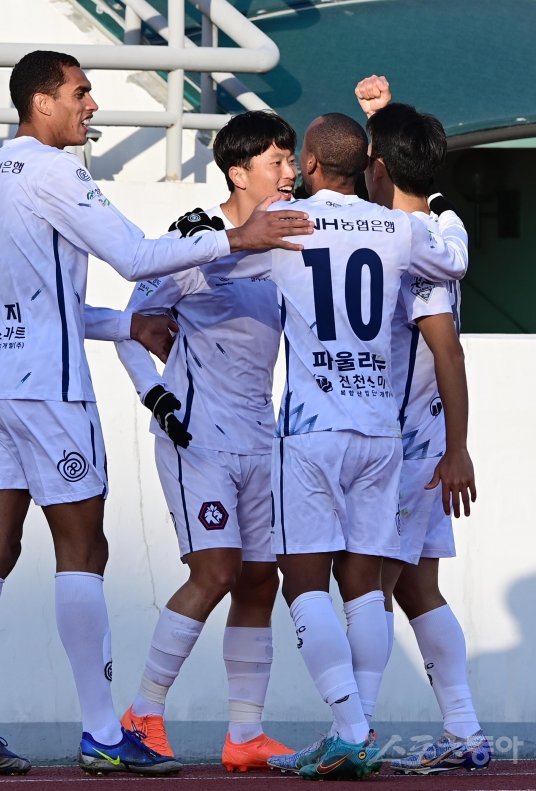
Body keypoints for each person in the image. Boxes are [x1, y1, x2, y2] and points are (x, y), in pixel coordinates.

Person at [0, 49, 313, 777]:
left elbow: (46, 303)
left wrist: (128, 326)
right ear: (41, 102)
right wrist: (236, 237)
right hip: (47, 389)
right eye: (80, 93)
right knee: (83, 550)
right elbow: (136, 256)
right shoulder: (55, 170)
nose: (91, 105)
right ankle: (103, 731)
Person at [242, 111, 470, 781]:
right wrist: (447, 213)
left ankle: (349, 729)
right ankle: (367, 727)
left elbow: (215, 264)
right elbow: (451, 261)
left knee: (302, 579)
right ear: (365, 164)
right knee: (366, 587)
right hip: (382, 431)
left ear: (311, 163)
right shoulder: (400, 229)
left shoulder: (285, 222)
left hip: (313, 428)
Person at [85, 110, 298, 772]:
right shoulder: (197, 238)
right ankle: (142, 713)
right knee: (215, 570)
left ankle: (245, 734)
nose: (290, 172)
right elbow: (132, 323)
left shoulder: (294, 242)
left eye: (292, 159)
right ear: (238, 173)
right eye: (276, 162)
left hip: (261, 438)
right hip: (197, 439)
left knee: (260, 578)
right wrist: (154, 395)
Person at [354, 74, 491, 775]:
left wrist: (457, 449)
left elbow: (447, 349)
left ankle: (357, 732)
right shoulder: (445, 225)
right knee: (415, 586)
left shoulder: (404, 243)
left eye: (367, 161)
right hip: (426, 438)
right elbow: (407, 186)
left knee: (373, 582)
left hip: (408, 445)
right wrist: (383, 118)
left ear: (378, 167)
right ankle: (463, 729)